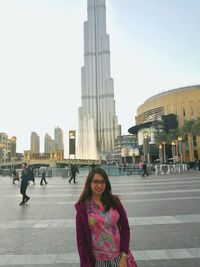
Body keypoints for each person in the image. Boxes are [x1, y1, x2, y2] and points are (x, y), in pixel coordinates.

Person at [75, 168, 136, 267]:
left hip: (118, 259)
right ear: (89, 184)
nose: (99, 185)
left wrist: (124, 256)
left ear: (106, 184)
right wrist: (85, 264)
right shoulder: (83, 208)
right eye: (95, 182)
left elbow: (125, 228)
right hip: (97, 261)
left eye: (102, 182)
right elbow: (81, 240)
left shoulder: (115, 202)